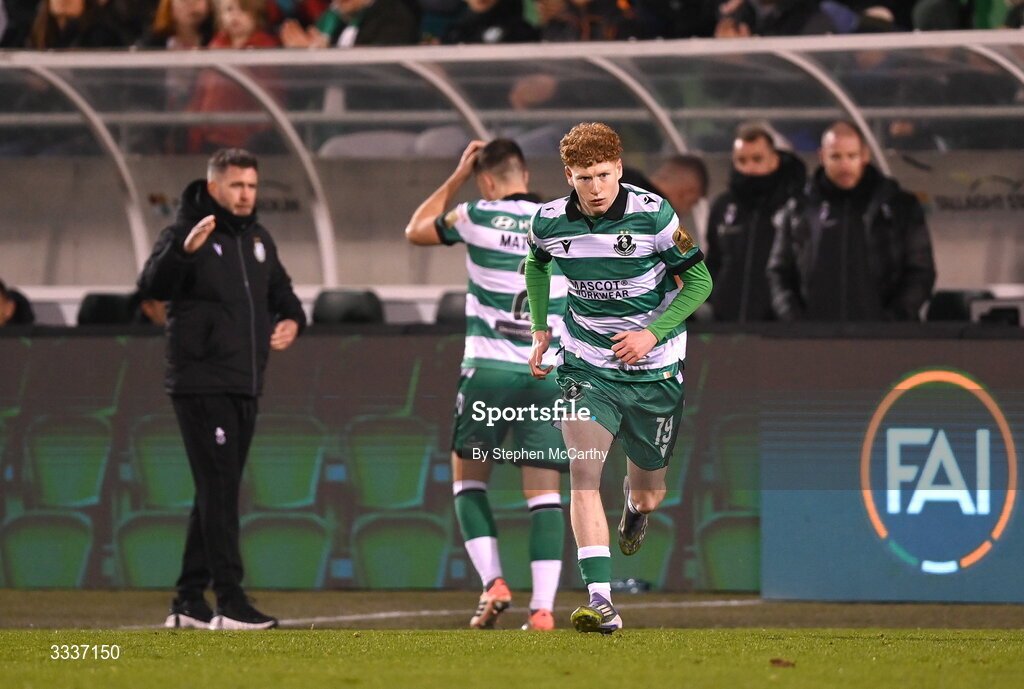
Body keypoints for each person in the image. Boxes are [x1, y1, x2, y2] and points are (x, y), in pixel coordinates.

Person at [525, 122, 712, 634]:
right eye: (585, 177)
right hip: (586, 363)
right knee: (584, 476)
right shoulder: (547, 222)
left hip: (654, 368)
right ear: (569, 175)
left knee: (648, 489)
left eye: (605, 175)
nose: (596, 187)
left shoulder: (653, 214)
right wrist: (542, 329)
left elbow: (700, 280)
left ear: (620, 170)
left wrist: (651, 334)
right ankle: (601, 601)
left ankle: (637, 505)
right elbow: (536, 266)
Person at [137, 148, 306, 630]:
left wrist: (294, 320)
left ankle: (189, 601)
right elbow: (151, 284)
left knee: (216, 490)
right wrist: (182, 251)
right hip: (201, 382)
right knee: (219, 488)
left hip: (245, 381)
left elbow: (284, 294)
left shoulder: (257, 238)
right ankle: (229, 602)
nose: (246, 194)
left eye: (252, 186)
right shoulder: (187, 233)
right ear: (214, 188)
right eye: (236, 185)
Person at [405, 139, 569, 631]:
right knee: (545, 495)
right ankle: (542, 610)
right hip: (547, 373)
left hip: (489, 372)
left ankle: (494, 582)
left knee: (468, 480)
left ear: (488, 181)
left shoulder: (476, 213)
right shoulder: (564, 221)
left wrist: (456, 178)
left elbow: (415, 231)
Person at [767, 121, 936, 322]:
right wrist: (794, 320)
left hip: (884, 339)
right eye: (836, 156)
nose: (844, 164)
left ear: (864, 155)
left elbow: (920, 270)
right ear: (822, 156)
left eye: (851, 156)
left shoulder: (898, 206)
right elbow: (778, 271)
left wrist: (894, 320)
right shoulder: (799, 208)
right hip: (812, 339)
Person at [705, 122, 805, 322]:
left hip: (778, 321)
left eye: (757, 159)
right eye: (742, 160)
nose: (749, 167)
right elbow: (714, 259)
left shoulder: (794, 205)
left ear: (774, 160)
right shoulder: (724, 206)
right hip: (726, 320)